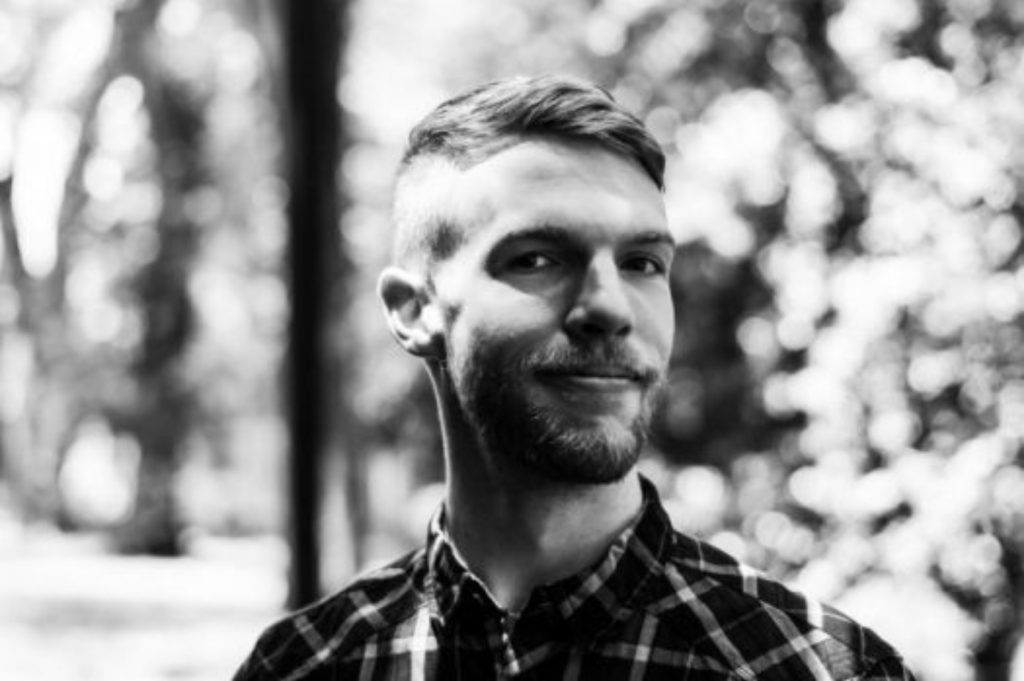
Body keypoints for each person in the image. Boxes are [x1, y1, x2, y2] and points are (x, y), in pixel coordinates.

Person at [233, 74, 915, 680]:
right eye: (535, 258)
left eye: (643, 262)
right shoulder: (304, 664)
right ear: (415, 312)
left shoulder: (816, 666)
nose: (610, 308)